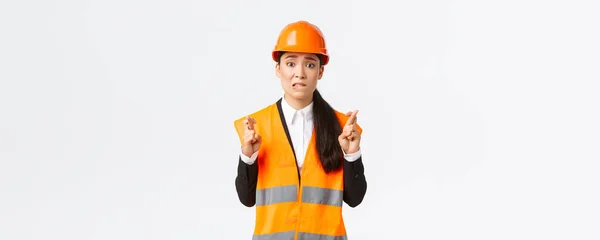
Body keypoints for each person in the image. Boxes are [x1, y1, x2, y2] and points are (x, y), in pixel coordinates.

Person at [233, 20, 367, 240]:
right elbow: (247, 198)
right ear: (278, 69)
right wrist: (248, 156)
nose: (300, 73)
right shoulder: (256, 127)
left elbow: (354, 198)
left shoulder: (342, 129)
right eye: (291, 63)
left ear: (321, 71)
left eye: (310, 64)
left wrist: (352, 154)